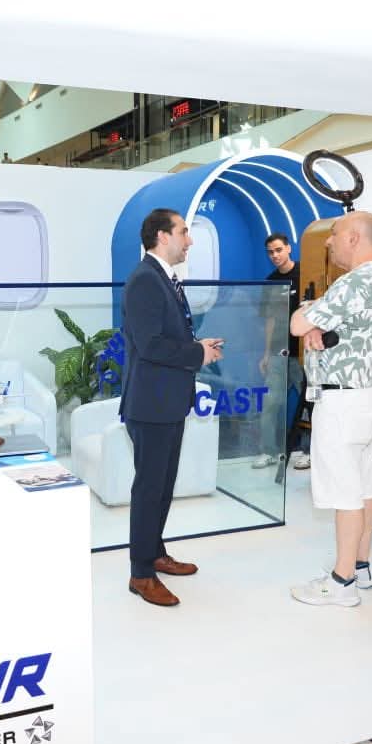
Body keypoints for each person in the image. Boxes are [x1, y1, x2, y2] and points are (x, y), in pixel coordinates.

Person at [288, 211, 372, 607]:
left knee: (346, 493)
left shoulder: (354, 282)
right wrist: (319, 321)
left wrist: (309, 315)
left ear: (353, 238)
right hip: (370, 397)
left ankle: (341, 582)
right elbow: (326, 323)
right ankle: (361, 567)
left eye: (334, 234)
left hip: (344, 403)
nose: (329, 242)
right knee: (365, 487)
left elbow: (297, 323)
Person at [120, 208, 224, 606]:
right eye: (183, 231)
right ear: (163, 236)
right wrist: (197, 354)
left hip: (167, 402)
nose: (190, 239)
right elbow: (150, 346)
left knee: (162, 486)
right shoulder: (146, 279)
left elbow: (164, 337)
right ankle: (140, 574)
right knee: (150, 489)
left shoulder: (162, 277)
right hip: (151, 404)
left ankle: (154, 552)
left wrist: (197, 348)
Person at [254, 233, 311, 471]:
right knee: (269, 404)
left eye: (278, 250)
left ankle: (308, 452)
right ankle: (268, 451)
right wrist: (266, 353)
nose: (275, 255)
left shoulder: (306, 273)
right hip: (279, 353)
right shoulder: (271, 281)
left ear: (288, 248)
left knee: (310, 404)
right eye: (270, 252)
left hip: (304, 354)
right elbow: (269, 320)